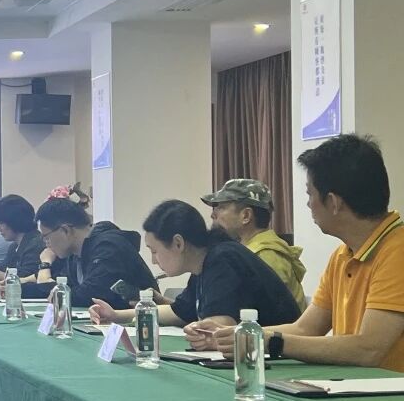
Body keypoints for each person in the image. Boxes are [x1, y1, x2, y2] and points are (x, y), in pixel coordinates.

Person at [212, 134, 404, 370]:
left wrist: (271, 343)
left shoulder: (398, 251)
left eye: (309, 194)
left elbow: (369, 349)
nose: (308, 204)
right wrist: (237, 335)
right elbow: (306, 328)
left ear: (333, 202)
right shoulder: (343, 255)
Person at [90, 199, 300, 348]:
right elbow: (179, 312)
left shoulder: (223, 259)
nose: (153, 260)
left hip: (280, 355)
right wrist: (117, 315)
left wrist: (200, 330)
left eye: (154, 251)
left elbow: (218, 327)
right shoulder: (204, 262)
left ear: (178, 243)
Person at [24, 197, 157, 308]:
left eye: (46, 237)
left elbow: (93, 293)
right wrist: (19, 290)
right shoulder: (75, 254)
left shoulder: (108, 246)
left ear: (65, 230)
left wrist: (57, 293)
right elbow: (60, 286)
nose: (46, 244)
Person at [202, 178, 306, 310]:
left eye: (221, 207)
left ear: (246, 216)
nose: (213, 215)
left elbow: (268, 312)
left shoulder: (266, 256)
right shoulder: (249, 251)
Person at [0, 194, 44, 288]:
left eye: (1, 223)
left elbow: (25, 280)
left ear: (13, 220)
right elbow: (3, 270)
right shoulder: (14, 246)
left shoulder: (36, 244)